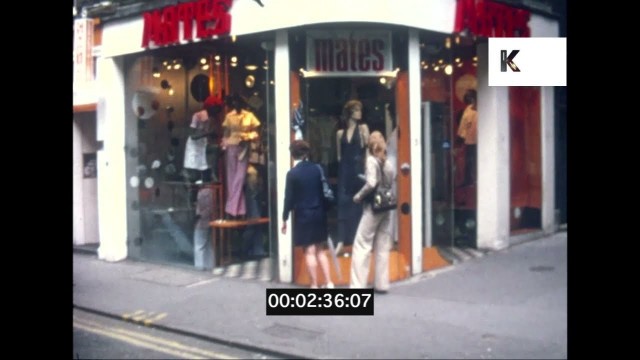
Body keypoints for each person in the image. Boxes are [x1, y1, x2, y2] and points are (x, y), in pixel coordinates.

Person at [281, 140, 334, 289]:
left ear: (292, 155)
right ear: (306, 153)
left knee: (309, 251)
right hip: (319, 213)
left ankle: (314, 285)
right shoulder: (317, 169)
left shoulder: (292, 174)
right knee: (320, 250)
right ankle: (329, 283)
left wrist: (284, 218)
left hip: (304, 214)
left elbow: (288, 199)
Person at [350, 132, 395, 293]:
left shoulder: (371, 160)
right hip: (387, 207)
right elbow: (390, 181)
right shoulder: (387, 162)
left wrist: (358, 196)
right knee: (382, 244)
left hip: (373, 207)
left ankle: (357, 286)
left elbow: (371, 183)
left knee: (362, 244)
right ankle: (382, 284)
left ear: (369, 145)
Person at [335, 99, 370, 255]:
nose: (359, 112)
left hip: (358, 171)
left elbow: (368, 152)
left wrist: (368, 172)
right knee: (343, 203)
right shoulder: (339, 134)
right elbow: (338, 156)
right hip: (344, 171)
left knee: (358, 205)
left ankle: (358, 241)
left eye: (359, 109)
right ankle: (341, 240)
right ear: (350, 112)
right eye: (356, 109)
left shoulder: (363, 129)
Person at [221, 93, 261, 218]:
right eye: (234, 103)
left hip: (244, 147)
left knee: (239, 178)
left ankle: (230, 209)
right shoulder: (229, 116)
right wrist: (223, 145)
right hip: (231, 146)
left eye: (238, 103)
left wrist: (248, 137)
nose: (236, 105)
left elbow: (256, 132)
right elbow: (226, 133)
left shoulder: (249, 116)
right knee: (231, 178)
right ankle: (239, 210)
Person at [183, 95, 222, 184]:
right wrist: (207, 134)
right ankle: (209, 174)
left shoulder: (212, 120)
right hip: (194, 148)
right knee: (194, 178)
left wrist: (213, 135)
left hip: (203, 145)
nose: (218, 112)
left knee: (216, 149)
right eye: (216, 109)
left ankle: (213, 173)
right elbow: (193, 136)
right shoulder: (197, 116)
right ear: (211, 107)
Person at [456, 89, 477, 187]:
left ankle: (473, 181)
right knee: (471, 162)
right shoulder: (469, 110)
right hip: (472, 141)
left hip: (478, 141)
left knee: (474, 162)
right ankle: (470, 181)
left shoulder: (472, 110)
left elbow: (463, 127)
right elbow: (463, 127)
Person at [193, 185, 214, 270]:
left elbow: (200, 210)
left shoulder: (201, 193)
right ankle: (210, 265)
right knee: (209, 245)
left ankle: (200, 266)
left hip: (201, 222)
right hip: (211, 222)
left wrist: (198, 216)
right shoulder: (213, 191)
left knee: (199, 245)